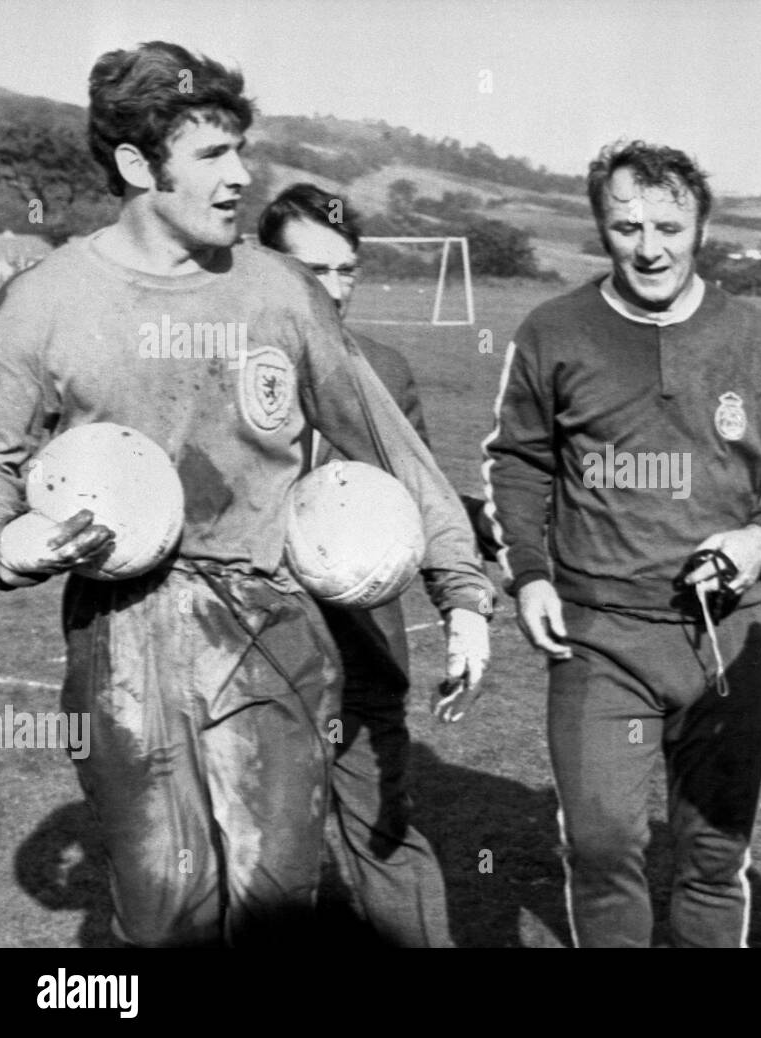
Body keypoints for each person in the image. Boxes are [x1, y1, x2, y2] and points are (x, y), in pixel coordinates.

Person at [0, 41, 493, 947]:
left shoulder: (278, 293)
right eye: (213, 156)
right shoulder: (44, 301)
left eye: (242, 151)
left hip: (271, 623)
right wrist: (5, 543)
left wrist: (461, 592)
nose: (242, 177)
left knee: (275, 906)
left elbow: (390, 443)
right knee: (163, 910)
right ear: (139, 166)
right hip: (122, 634)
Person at [483, 140, 761, 947]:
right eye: (626, 226)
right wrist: (530, 576)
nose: (649, 247)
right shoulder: (553, 330)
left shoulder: (759, 337)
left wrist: (760, 537)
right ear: (601, 229)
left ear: (701, 226)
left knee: (714, 854)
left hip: (726, 637)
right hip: (598, 634)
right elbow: (517, 464)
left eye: (669, 225)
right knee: (604, 844)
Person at [258, 182, 480, 947]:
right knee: (264, 852)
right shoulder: (227, 361)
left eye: (347, 269)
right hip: (256, 650)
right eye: (312, 269)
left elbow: (417, 495)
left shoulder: (383, 366)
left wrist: (462, 600)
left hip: (364, 647)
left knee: (384, 835)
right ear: (264, 264)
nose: (333, 288)